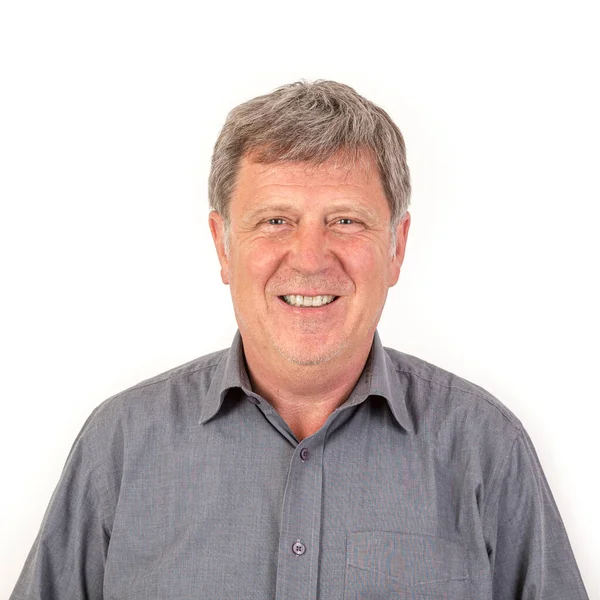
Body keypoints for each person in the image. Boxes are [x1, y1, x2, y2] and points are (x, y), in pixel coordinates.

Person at [11, 80, 588, 600]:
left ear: (396, 246)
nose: (310, 259)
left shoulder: (487, 449)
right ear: (223, 245)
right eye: (276, 220)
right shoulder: (119, 448)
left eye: (345, 221)